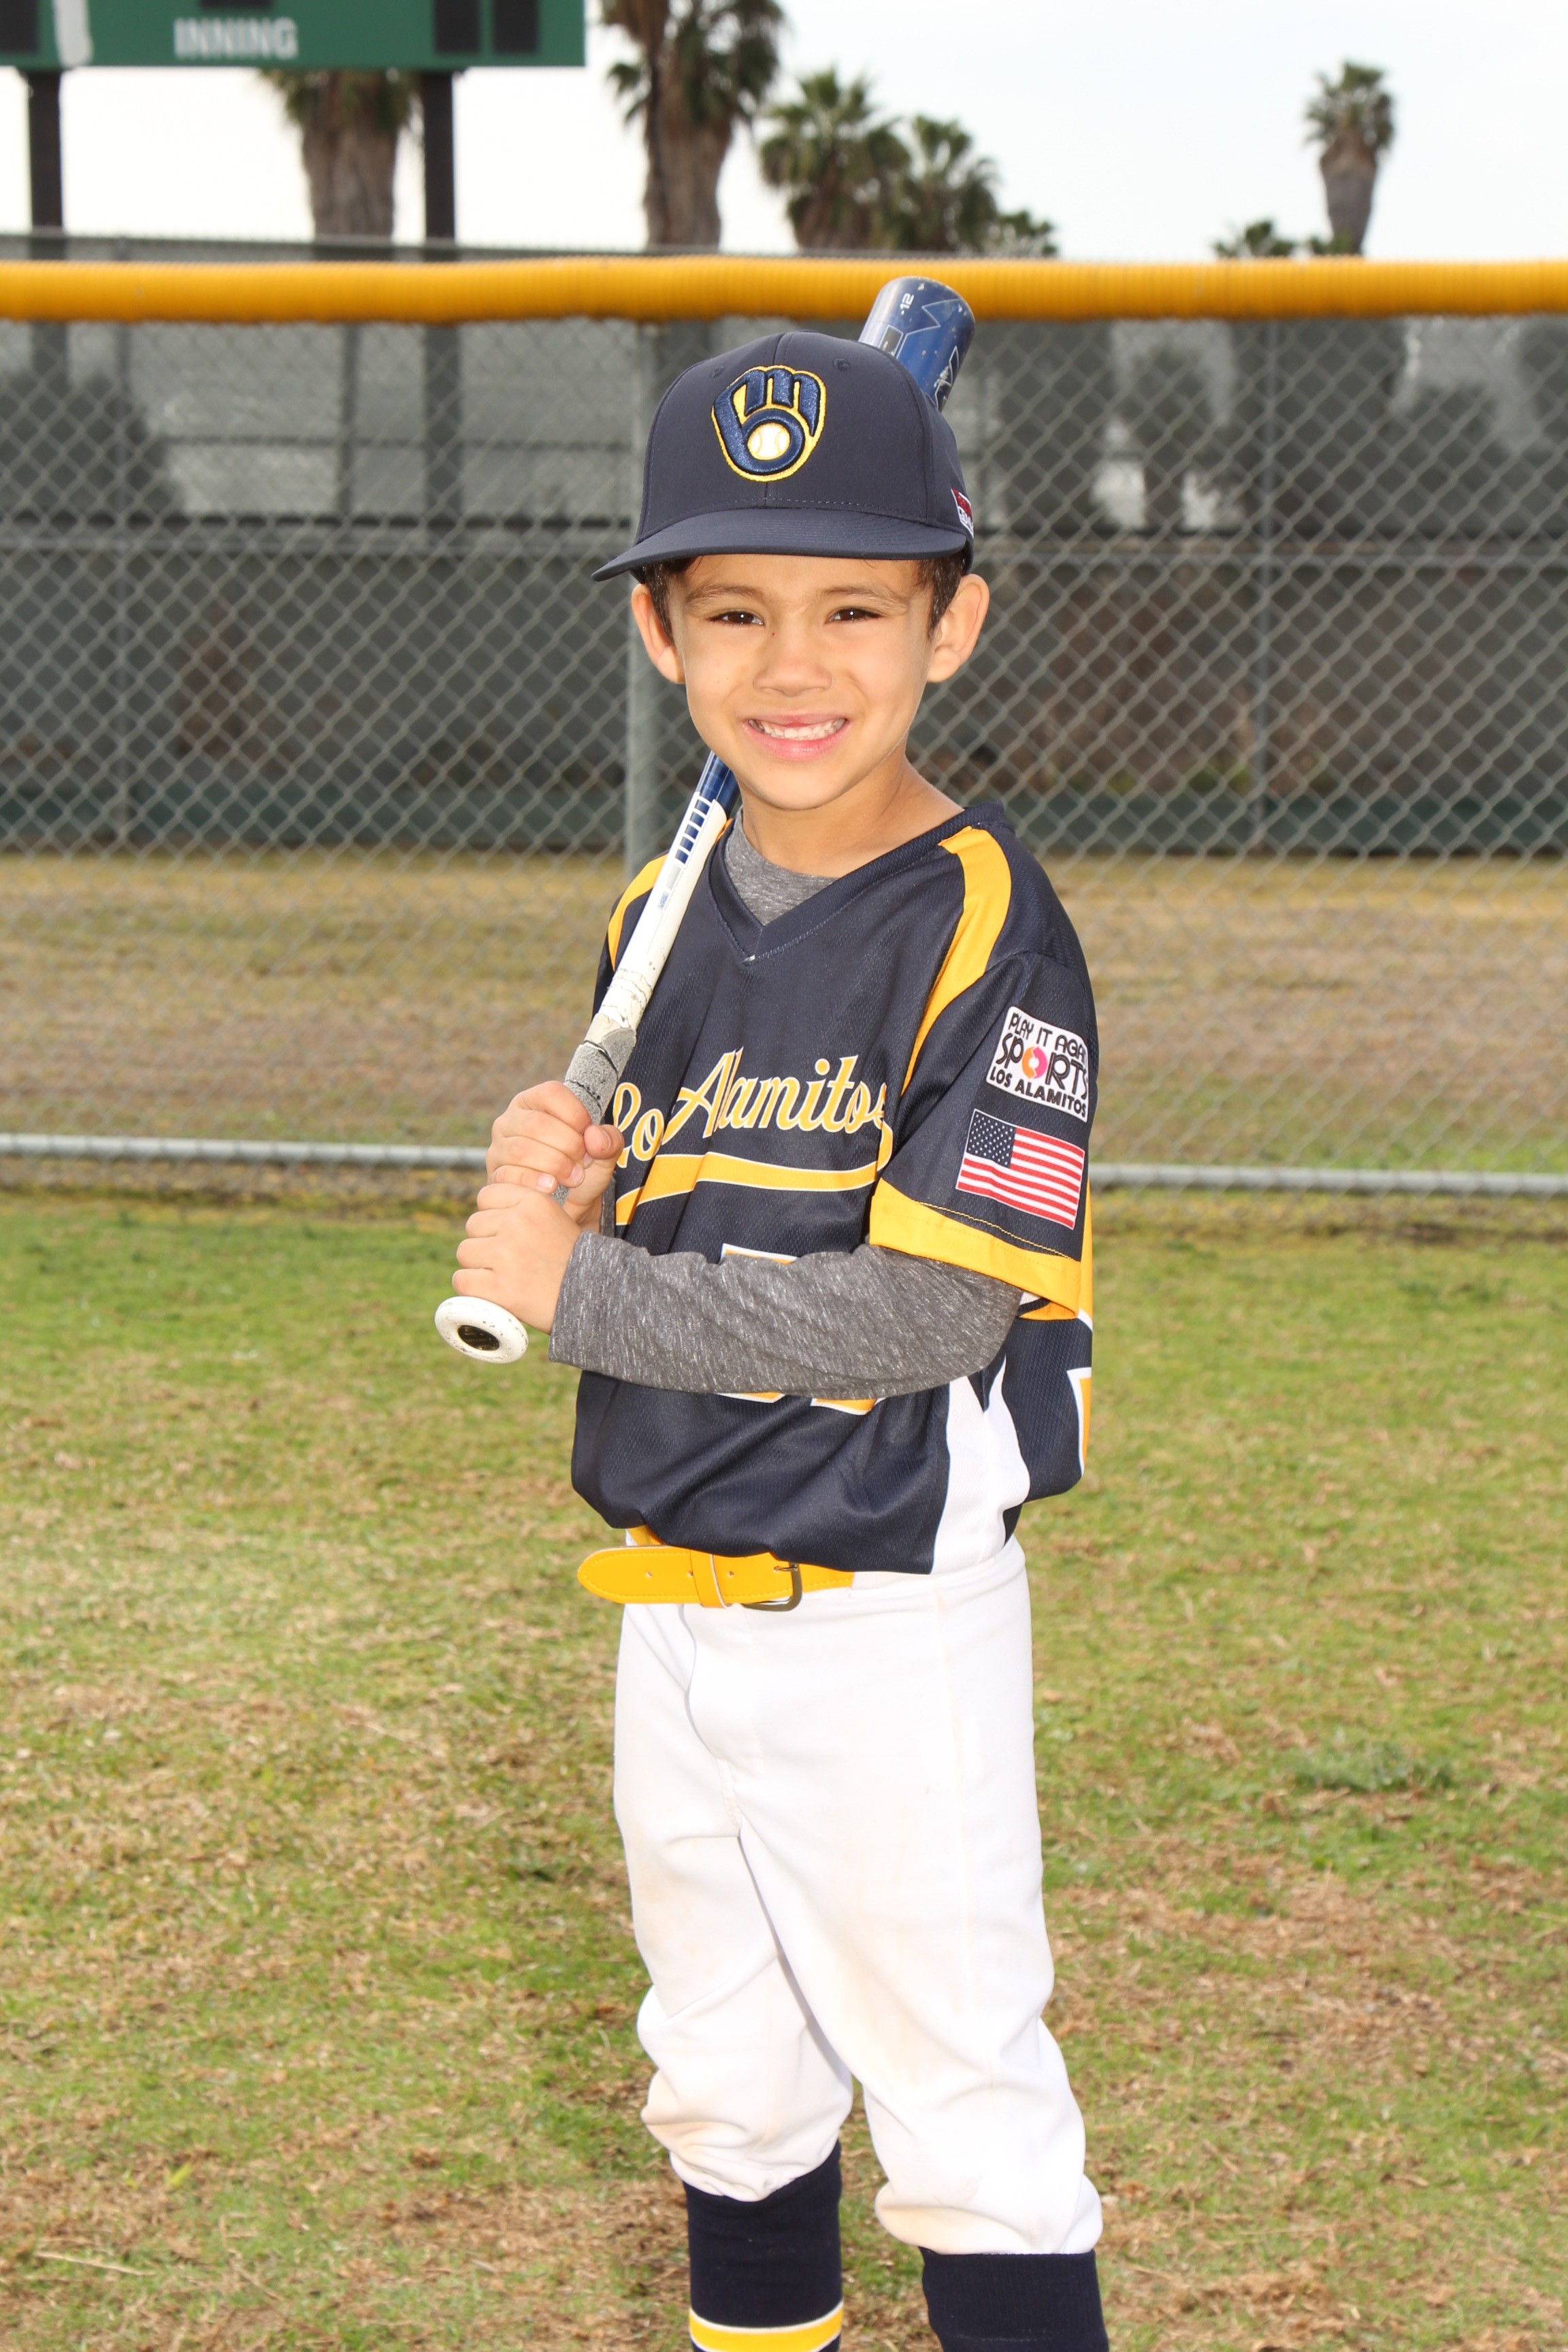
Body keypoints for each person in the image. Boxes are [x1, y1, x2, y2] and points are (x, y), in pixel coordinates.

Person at [452, 329, 1106, 2352]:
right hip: (673, 1601)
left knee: (966, 2118)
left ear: (952, 625)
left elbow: (928, 1311)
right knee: (726, 2089)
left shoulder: (985, 920)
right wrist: (571, 1184)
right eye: (734, 610)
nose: (792, 664)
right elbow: (666, 1204)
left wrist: (576, 1295)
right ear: (661, 633)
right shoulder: (661, 908)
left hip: (883, 1610)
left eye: (855, 608)